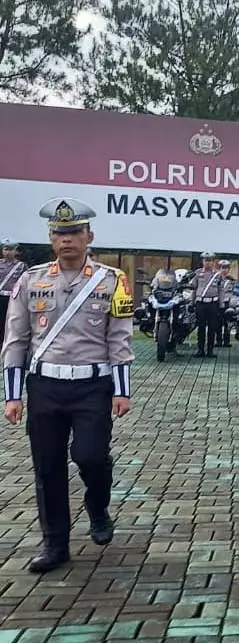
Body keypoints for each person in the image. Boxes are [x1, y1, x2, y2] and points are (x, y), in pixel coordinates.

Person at [2, 198, 135, 573]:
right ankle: (55, 543)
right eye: (60, 233)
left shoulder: (112, 280)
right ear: (51, 238)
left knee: (90, 456)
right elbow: (16, 340)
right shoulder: (30, 280)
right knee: (47, 466)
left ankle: (97, 504)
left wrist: (122, 390)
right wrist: (13, 396)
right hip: (45, 385)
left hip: (93, 386)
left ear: (88, 235)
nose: (67, 240)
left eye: (75, 232)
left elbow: (120, 338)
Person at [188, 252, 227, 358]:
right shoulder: (197, 273)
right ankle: (200, 350)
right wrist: (192, 302)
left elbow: (221, 290)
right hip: (201, 303)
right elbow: (194, 289)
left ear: (213, 262)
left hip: (213, 304)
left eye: (210, 260)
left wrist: (221, 304)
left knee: (212, 328)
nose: (208, 263)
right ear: (203, 261)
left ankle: (210, 350)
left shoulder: (217, 275)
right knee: (200, 328)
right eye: (206, 260)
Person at [0, 239, 27, 346]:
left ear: (16, 251)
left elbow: (24, 282)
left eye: (11, 250)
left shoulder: (21, 266)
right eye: (6, 249)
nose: (8, 252)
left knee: (10, 322)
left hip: (11, 298)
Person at [217, 259, 235, 347]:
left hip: (228, 303)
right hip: (218, 303)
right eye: (222, 268)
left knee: (227, 323)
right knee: (218, 323)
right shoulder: (216, 279)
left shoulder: (232, 280)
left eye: (226, 268)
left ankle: (226, 341)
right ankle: (218, 341)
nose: (224, 270)